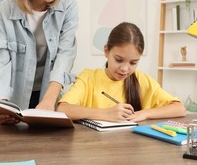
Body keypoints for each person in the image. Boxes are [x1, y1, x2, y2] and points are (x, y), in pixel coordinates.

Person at [57, 22, 185, 122]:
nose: (125, 68)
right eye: (118, 60)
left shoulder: (141, 80)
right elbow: (63, 109)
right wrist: (106, 114)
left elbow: (179, 108)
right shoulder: (89, 77)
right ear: (106, 51)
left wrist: (144, 114)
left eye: (133, 63)